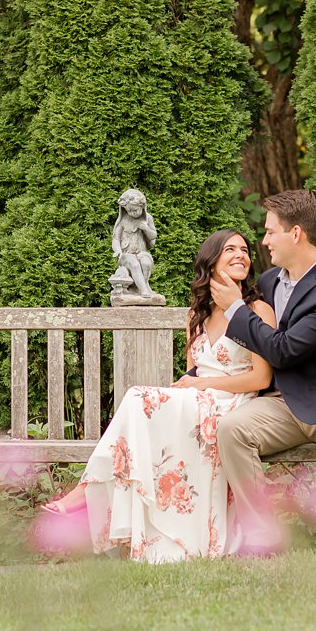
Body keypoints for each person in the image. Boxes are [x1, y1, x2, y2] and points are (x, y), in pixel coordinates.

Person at [43, 229, 278, 561]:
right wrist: (184, 388)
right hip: (197, 400)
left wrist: (199, 387)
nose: (241, 254)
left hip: (233, 403)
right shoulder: (196, 314)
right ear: (211, 261)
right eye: (230, 249)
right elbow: (193, 372)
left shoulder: (257, 309)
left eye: (244, 250)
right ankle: (136, 523)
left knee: (139, 398)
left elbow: (260, 378)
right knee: (145, 405)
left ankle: (87, 488)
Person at [211, 189, 316, 553]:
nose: (264, 240)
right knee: (231, 429)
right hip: (284, 402)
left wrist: (234, 310)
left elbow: (284, 350)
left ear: (296, 234)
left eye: (271, 231)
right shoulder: (272, 281)